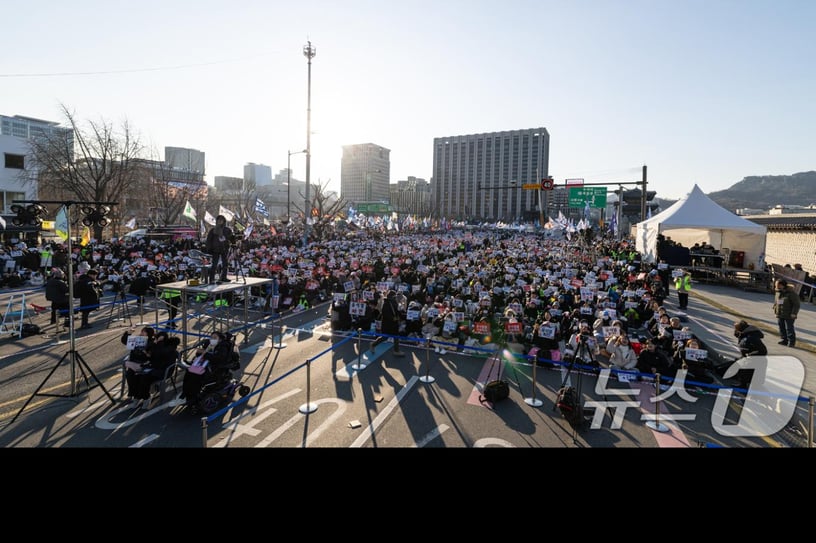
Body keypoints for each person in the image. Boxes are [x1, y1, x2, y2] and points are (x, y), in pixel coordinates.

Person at [181, 331, 233, 412]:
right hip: (204, 366)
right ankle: (186, 393)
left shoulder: (223, 347)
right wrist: (199, 353)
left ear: (220, 340)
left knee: (195, 377)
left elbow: (218, 359)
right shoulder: (210, 345)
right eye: (211, 337)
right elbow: (201, 355)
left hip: (214, 370)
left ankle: (193, 397)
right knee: (189, 373)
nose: (212, 339)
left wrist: (205, 353)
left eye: (215, 338)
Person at [131, 331, 180, 402]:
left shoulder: (169, 349)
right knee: (137, 375)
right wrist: (149, 353)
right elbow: (153, 356)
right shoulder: (159, 346)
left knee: (144, 377)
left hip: (163, 371)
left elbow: (162, 353)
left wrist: (159, 342)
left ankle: (146, 398)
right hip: (155, 368)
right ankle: (138, 396)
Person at [121, 326, 156, 404]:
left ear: (149, 334)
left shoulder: (152, 343)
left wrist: (146, 352)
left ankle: (145, 397)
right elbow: (125, 341)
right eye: (142, 331)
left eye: (144, 332)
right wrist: (128, 333)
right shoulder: (137, 339)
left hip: (145, 364)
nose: (142, 333)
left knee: (141, 378)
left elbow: (152, 356)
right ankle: (135, 395)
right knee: (130, 375)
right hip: (134, 362)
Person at [372, 290, 403, 355]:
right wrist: (393, 318)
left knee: (396, 337)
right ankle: (373, 344)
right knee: (385, 337)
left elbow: (396, 312)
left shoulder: (393, 302)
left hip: (393, 323)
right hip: (388, 323)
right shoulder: (386, 303)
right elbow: (385, 313)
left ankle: (396, 350)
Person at [205, 215, 234, 283]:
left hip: (224, 248)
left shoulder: (227, 230)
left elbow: (231, 238)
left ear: (224, 221)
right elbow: (209, 240)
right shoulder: (213, 230)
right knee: (214, 264)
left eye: (221, 220)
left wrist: (232, 241)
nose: (220, 221)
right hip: (216, 249)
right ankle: (211, 279)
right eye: (219, 220)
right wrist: (209, 249)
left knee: (225, 264)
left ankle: (224, 277)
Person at [773, 279, 800, 347]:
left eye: (778, 284)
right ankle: (784, 340)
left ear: (782, 285)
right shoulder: (778, 292)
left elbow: (796, 304)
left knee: (789, 328)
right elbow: (777, 302)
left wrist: (794, 313)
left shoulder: (791, 293)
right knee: (781, 327)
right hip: (780, 314)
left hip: (789, 315)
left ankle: (791, 342)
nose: (776, 286)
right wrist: (775, 311)